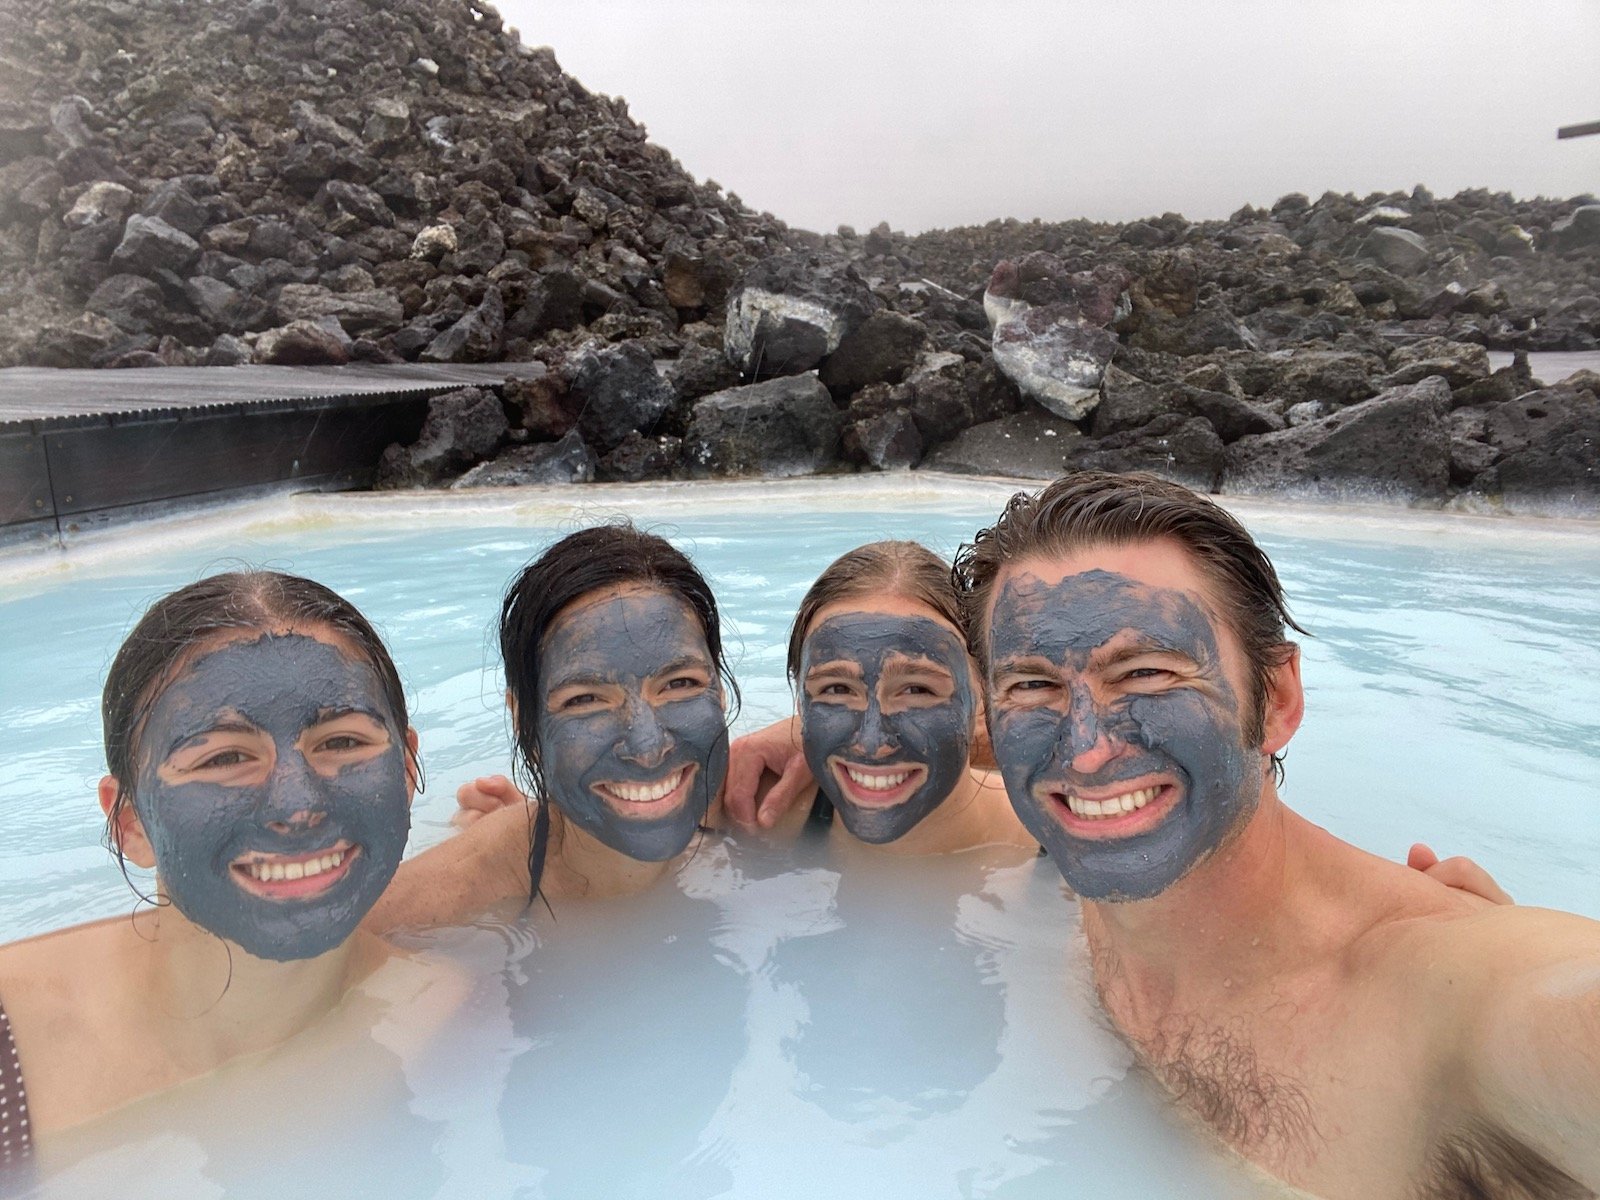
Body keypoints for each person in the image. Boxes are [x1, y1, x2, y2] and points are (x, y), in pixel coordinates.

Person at [952, 471, 1599, 1197]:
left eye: (1146, 674)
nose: (1085, 751)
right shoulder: (1075, 845)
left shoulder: (1452, 1009)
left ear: (1279, 700)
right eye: (1032, 686)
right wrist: (809, 746)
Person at [0, 571, 422, 1155]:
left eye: (343, 742)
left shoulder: (442, 1010)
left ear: (406, 771)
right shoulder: (10, 1051)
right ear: (130, 823)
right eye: (225, 757)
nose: (297, 807)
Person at [367, 523, 737, 928]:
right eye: (585, 700)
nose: (648, 748)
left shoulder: (765, 808)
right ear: (524, 721)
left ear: (719, 692)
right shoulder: (420, 921)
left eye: (680, 684)